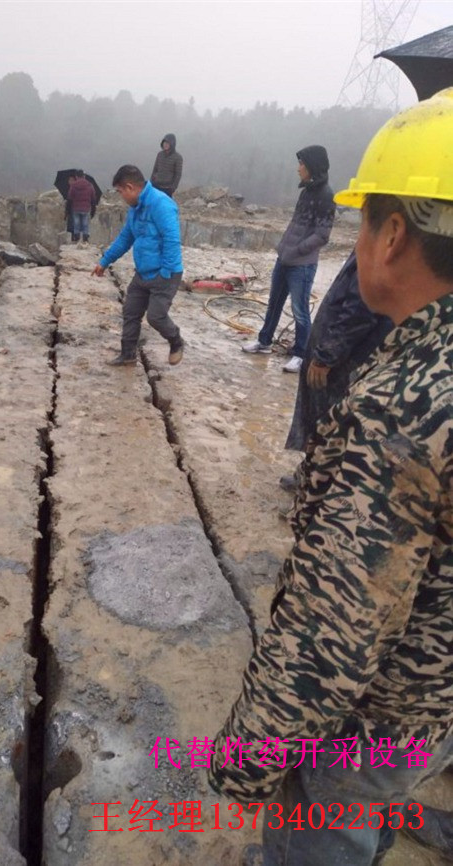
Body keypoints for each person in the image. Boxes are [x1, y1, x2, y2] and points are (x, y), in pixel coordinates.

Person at [209, 88, 453, 866]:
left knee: (321, 838)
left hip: (384, 720)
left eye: (363, 223)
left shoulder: (403, 410)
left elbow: (332, 633)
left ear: (391, 233)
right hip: (441, 699)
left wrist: (247, 759)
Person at [279, 251, 393, 492]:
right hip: (341, 354)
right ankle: (311, 475)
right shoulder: (375, 246)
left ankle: (317, 487)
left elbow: (359, 310)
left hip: (343, 361)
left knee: (328, 422)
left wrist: (327, 356)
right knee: (325, 422)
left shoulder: (380, 252)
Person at [242, 146, 335, 373]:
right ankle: (264, 342)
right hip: (284, 259)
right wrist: (283, 247)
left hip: (301, 265)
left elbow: (322, 235)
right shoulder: (306, 192)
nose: (298, 168)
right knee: (273, 303)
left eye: (302, 164)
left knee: (299, 309)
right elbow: (296, 225)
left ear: (312, 166)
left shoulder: (326, 196)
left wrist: (297, 250)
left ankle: (301, 354)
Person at [92, 164, 184, 366]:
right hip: (143, 273)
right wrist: (105, 261)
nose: (121, 196)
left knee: (156, 317)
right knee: (130, 312)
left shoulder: (161, 204)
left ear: (130, 187)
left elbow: (171, 240)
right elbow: (126, 238)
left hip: (165, 274)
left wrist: (166, 273)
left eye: (120, 192)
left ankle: (176, 341)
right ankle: (128, 355)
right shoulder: (135, 209)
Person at [67, 169, 97, 244]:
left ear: (76, 176)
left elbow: (70, 198)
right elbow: (93, 198)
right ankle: (85, 239)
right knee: (85, 223)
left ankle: (76, 238)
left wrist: (68, 209)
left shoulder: (73, 185)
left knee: (76, 223)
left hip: (76, 207)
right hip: (86, 208)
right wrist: (93, 210)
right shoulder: (89, 185)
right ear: (84, 176)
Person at [150, 133, 183, 198]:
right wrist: (152, 180)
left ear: (172, 144)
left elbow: (178, 174)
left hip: (167, 188)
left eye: (168, 143)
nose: (165, 145)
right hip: (156, 185)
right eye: (164, 143)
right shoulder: (160, 154)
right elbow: (155, 169)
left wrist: (173, 188)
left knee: (164, 206)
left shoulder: (177, 157)